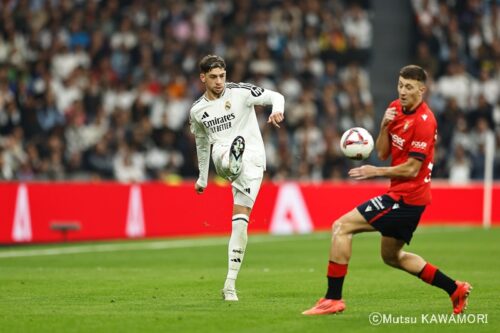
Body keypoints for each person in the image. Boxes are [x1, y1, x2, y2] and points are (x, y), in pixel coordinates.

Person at [302, 65, 471, 315]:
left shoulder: (425, 121)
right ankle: (454, 289)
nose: (403, 91)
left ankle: (333, 298)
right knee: (392, 257)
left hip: (406, 199)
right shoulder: (394, 109)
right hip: (403, 197)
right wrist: (383, 127)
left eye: (409, 87)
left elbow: (412, 169)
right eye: (400, 85)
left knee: (341, 226)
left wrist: (375, 172)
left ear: (422, 90)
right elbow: (382, 152)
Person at [189, 55, 285, 301]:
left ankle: (230, 284)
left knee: (241, 222)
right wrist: (202, 178)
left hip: (253, 160)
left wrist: (277, 111)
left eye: (222, 75)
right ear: (203, 78)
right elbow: (202, 145)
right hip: (222, 153)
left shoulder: (241, 92)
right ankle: (232, 162)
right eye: (213, 77)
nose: (219, 81)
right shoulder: (198, 111)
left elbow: (276, 96)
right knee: (223, 152)